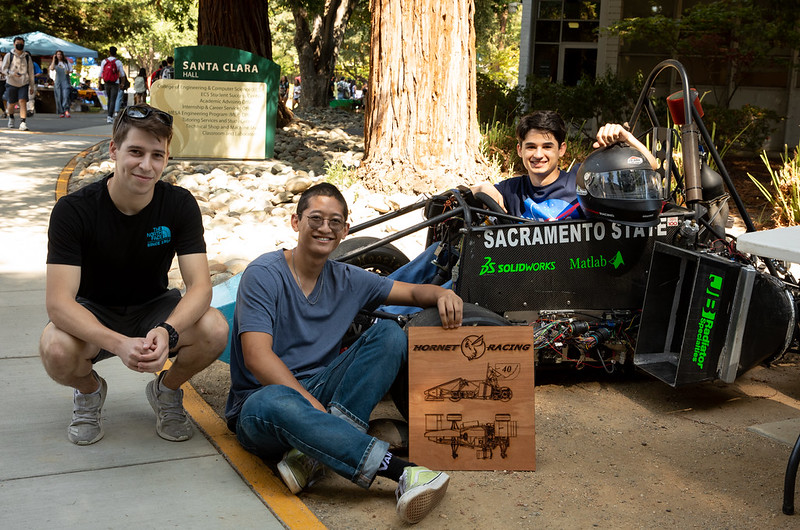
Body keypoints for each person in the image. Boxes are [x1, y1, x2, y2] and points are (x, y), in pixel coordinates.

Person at [225, 182, 463, 524]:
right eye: (316, 218)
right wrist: (309, 403)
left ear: (346, 230)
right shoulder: (264, 274)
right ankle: (403, 472)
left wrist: (441, 296)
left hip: (321, 393)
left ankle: (312, 456)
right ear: (296, 222)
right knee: (275, 400)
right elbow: (257, 358)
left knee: (388, 334)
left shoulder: (348, 278)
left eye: (335, 222)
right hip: (262, 407)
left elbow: (410, 291)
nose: (325, 228)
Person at [40, 104, 229, 446]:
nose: (146, 165)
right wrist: (117, 343)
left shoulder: (179, 205)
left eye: (157, 155)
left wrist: (168, 330)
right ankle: (89, 391)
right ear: (113, 149)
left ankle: (166, 391)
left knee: (215, 328)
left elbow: (200, 287)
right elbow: (58, 303)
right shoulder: (74, 211)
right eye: (136, 152)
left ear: (167, 158)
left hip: (153, 307)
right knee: (54, 347)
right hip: (94, 309)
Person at [471, 110, 657, 221]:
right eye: (531, 147)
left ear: (561, 150)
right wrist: (483, 186)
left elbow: (651, 166)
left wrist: (626, 137)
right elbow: (470, 192)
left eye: (547, 147)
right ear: (520, 150)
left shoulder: (583, 180)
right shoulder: (511, 190)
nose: (538, 154)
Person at [1, 36, 36, 131]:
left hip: (24, 83)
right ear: (14, 44)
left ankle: (23, 122)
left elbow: (31, 72)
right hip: (11, 82)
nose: (19, 45)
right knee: (11, 104)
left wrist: (32, 86)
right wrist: (12, 74)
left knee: (22, 101)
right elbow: (3, 69)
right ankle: (11, 117)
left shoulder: (27, 57)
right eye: (18, 43)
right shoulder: (9, 55)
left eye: (21, 43)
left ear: (24, 44)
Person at [99, 46, 126, 124]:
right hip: (115, 83)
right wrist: (122, 83)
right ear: (116, 53)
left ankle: (109, 115)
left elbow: (100, 73)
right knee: (113, 99)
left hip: (106, 82)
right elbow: (122, 74)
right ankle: (110, 116)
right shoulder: (118, 62)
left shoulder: (104, 61)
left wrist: (99, 83)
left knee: (109, 99)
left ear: (109, 52)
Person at [49, 50, 73, 118]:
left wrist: (68, 72)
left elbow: (71, 70)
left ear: (62, 55)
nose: (59, 56)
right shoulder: (55, 63)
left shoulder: (66, 62)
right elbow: (51, 68)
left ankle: (66, 110)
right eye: (58, 54)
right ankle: (61, 111)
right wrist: (53, 59)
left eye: (60, 54)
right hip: (58, 81)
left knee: (65, 96)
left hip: (65, 80)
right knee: (59, 97)